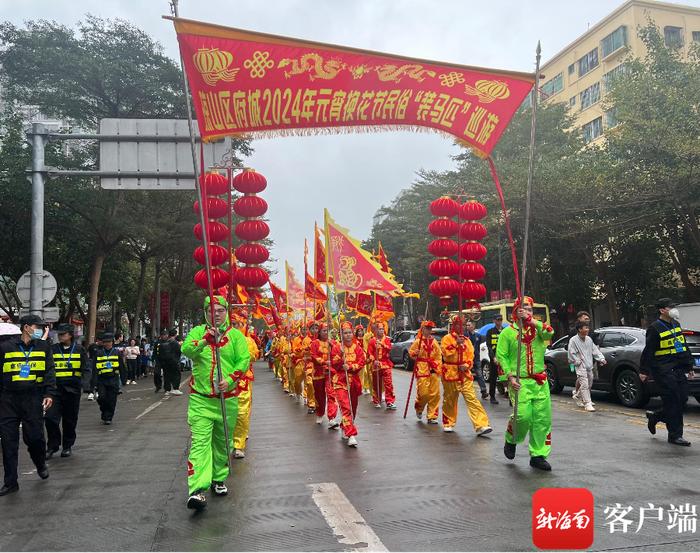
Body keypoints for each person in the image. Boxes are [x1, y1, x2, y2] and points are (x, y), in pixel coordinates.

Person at [181, 295, 250, 510]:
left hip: (226, 400)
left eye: (220, 310)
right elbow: (186, 350)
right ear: (205, 313)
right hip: (200, 400)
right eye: (211, 310)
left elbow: (244, 360)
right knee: (200, 443)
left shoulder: (236, 336)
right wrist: (205, 341)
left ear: (226, 312)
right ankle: (197, 490)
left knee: (222, 443)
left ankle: (218, 478)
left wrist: (230, 380)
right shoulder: (197, 332)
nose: (216, 314)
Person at [497, 296, 555, 471]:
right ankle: (511, 438)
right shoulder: (507, 332)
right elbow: (502, 356)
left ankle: (538, 455)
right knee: (522, 416)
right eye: (524, 308)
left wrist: (531, 321)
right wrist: (510, 377)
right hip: (519, 382)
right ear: (515, 311)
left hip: (539, 381)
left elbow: (550, 332)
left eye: (530, 309)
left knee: (541, 420)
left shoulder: (538, 329)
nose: (527, 311)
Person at [0, 315, 55, 496]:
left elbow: (49, 371)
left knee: (34, 438)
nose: (40, 330)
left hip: (33, 398)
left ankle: (40, 464)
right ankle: (10, 482)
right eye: (37, 326)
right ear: (26, 327)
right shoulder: (6, 347)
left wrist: (48, 393)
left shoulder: (44, 347)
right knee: (8, 441)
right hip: (8, 399)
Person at [641, 298, 695, 446]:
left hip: (678, 368)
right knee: (672, 401)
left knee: (683, 399)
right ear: (662, 310)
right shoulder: (654, 328)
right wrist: (644, 370)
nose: (674, 309)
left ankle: (656, 416)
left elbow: (683, 347)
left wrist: (689, 366)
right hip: (663, 370)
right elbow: (648, 351)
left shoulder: (676, 324)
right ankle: (675, 435)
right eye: (670, 307)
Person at [440, 316, 493, 435]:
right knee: (450, 399)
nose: (462, 327)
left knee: (472, 399)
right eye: (460, 324)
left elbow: (471, 356)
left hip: (465, 375)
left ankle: (481, 425)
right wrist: (455, 344)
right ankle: (448, 422)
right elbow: (445, 353)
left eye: (464, 325)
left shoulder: (467, 340)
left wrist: (467, 364)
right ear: (454, 325)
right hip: (451, 373)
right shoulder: (447, 338)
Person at [45, 323, 87, 459]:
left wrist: (87, 386)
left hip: (72, 391)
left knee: (69, 420)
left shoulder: (80, 350)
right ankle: (52, 446)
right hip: (55, 390)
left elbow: (86, 369)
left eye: (63, 334)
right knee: (50, 418)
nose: (60, 336)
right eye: (59, 334)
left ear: (70, 335)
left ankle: (67, 446)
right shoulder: (52, 349)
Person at [331, 322, 365, 447]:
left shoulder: (358, 348)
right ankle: (351, 434)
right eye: (345, 333)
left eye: (350, 332)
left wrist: (350, 367)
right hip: (340, 381)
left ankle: (344, 425)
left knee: (353, 408)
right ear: (342, 335)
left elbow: (362, 362)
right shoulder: (337, 347)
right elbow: (334, 363)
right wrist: (340, 356)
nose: (348, 335)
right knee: (346, 407)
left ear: (353, 333)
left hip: (354, 382)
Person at [231, 309, 259, 459]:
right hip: (225, 382)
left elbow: (254, 355)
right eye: (232, 324)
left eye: (237, 324)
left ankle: (238, 444)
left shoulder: (249, 341)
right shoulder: (223, 340)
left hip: (243, 381)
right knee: (228, 412)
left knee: (242, 412)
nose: (234, 327)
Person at [567, 320, 606, 412]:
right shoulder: (573, 340)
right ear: (580, 329)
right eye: (586, 328)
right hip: (580, 365)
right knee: (584, 384)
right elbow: (571, 353)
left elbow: (594, 350)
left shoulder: (589, 339)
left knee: (589, 383)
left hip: (589, 364)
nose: (588, 329)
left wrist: (601, 358)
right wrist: (577, 361)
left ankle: (577, 396)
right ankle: (587, 403)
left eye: (588, 327)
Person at [408, 320, 442, 423]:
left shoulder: (434, 341)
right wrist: (415, 353)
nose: (429, 330)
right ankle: (419, 407)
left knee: (435, 394)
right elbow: (411, 353)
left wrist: (437, 366)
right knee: (423, 393)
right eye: (427, 328)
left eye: (430, 329)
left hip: (433, 369)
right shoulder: (418, 341)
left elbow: (438, 355)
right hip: (422, 368)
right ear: (422, 329)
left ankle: (432, 416)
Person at [310, 323, 339, 427]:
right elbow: (313, 355)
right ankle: (320, 413)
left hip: (330, 372)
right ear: (319, 332)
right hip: (318, 372)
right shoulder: (314, 343)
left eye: (327, 331)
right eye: (323, 331)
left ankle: (332, 417)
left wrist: (333, 348)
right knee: (319, 395)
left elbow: (337, 355)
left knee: (331, 394)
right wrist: (323, 361)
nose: (325, 333)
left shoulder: (333, 343)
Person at [367, 321, 397, 410]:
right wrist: (373, 359)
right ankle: (377, 400)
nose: (381, 331)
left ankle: (390, 401)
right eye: (379, 329)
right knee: (376, 384)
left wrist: (382, 344)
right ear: (376, 330)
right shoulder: (372, 341)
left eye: (382, 329)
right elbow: (370, 353)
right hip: (376, 365)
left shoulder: (387, 339)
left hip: (386, 364)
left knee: (388, 383)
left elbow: (389, 349)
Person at [94, 333, 123, 424]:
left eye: (109, 342)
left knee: (111, 400)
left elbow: (121, 366)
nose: (107, 344)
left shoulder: (116, 352)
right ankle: (104, 411)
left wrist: (124, 378)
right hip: (101, 379)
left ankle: (108, 417)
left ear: (112, 342)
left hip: (113, 379)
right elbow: (94, 368)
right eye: (105, 342)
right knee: (101, 398)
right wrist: (93, 382)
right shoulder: (98, 353)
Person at [569, 311, 592, 405]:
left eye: (588, 319)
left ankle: (580, 395)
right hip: (577, 360)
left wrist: (599, 358)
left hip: (589, 359)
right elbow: (569, 348)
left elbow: (594, 345)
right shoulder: (573, 333)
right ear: (579, 319)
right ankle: (585, 400)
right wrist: (575, 360)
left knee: (588, 380)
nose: (587, 320)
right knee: (582, 379)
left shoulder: (590, 331)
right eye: (585, 318)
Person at [485, 314, 506, 404]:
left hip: (504, 358)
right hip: (494, 358)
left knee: (507, 377)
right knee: (493, 377)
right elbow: (489, 346)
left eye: (501, 319)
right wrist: (493, 357)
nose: (499, 321)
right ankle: (492, 396)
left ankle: (509, 395)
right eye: (498, 320)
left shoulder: (505, 331)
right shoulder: (490, 332)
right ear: (494, 321)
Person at [465, 320, 488, 400]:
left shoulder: (478, 336)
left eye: (469, 325)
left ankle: (484, 391)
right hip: (467, 358)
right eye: (467, 325)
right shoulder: (464, 336)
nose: (467, 326)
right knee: (467, 375)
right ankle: (468, 391)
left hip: (476, 358)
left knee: (479, 374)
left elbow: (483, 344)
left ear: (473, 326)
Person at [302, 322, 318, 414]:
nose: (315, 330)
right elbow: (303, 352)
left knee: (318, 387)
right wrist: (308, 348)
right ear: (309, 329)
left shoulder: (320, 339)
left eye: (316, 328)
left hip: (319, 366)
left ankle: (317, 404)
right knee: (310, 383)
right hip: (309, 365)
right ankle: (311, 404)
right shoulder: (306, 340)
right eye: (313, 328)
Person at [160, 329, 183, 396]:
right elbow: (179, 351)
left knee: (167, 375)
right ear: (175, 334)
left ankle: (167, 390)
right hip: (174, 361)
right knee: (176, 375)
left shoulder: (165, 342)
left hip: (165, 362)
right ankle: (175, 389)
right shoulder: (175, 342)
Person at [152, 329, 168, 393]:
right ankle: (158, 386)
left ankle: (167, 387)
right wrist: (153, 358)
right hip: (158, 360)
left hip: (167, 360)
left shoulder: (169, 342)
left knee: (166, 374)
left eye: (165, 335)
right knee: (156, 373)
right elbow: (154, 351)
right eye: (163, 335)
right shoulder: (157, 343)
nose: (164, 336)